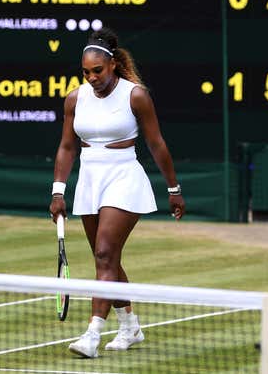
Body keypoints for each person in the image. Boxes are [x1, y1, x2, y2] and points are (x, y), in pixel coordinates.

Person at [49, 28, 185, 358]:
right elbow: (67, 147)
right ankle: (130, 326)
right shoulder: (74, 99)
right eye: (86, 72)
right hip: (90, 180)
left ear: (112, 65)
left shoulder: (135, 95)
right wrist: (57, 191)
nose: (92, 77)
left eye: (98, 70)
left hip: (124, 176)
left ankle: (92, 334)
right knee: (107, 258)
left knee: (104, 254)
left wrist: (173, 188)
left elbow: (156, 143)